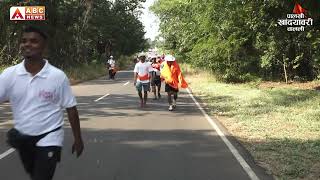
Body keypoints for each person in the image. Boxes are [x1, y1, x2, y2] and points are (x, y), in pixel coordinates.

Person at [0, 26, 84, 180]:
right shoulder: (9, 75)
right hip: (23, 138)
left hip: (50, 136)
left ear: (44, 46)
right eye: (24, 41)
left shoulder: (57, 76)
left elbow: (71, 108)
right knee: (34, 174)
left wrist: (78, 139)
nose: (27, 44)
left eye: (33, 41)